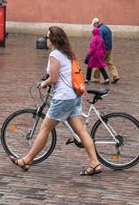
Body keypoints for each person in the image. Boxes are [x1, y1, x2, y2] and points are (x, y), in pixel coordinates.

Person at [10, 25, 102, 175]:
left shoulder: (54, 55)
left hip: (63, 98)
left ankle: (27, 160)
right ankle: (95, 163)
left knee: (44, 129)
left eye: (47, 37)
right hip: (73, 96)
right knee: (81, 131)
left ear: (52, 40)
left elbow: (53, 78)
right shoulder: (67, 54)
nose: (45, 40)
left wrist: (43, 84)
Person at [97, 17, 118, 83]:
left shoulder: (100, 30)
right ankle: (115, 76)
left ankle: (96, 78)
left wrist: (98, 50)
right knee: (109, 62)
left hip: (104, 49)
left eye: (94, 25)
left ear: (96, 24)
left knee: (97, 63)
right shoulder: (106, 27)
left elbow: (100, 40)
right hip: (109, 48)